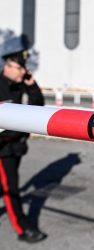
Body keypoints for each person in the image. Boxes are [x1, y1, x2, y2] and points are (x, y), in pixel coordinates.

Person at [0, 36, 46, 243]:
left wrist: (32, 87)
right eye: (20, 68)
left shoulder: (20, 86)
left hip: (16, 147)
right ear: (8, 66)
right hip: (2, 148)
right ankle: (23, 228)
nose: (24, 72)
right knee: (11, 188)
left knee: (5, 186)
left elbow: (36, 111)